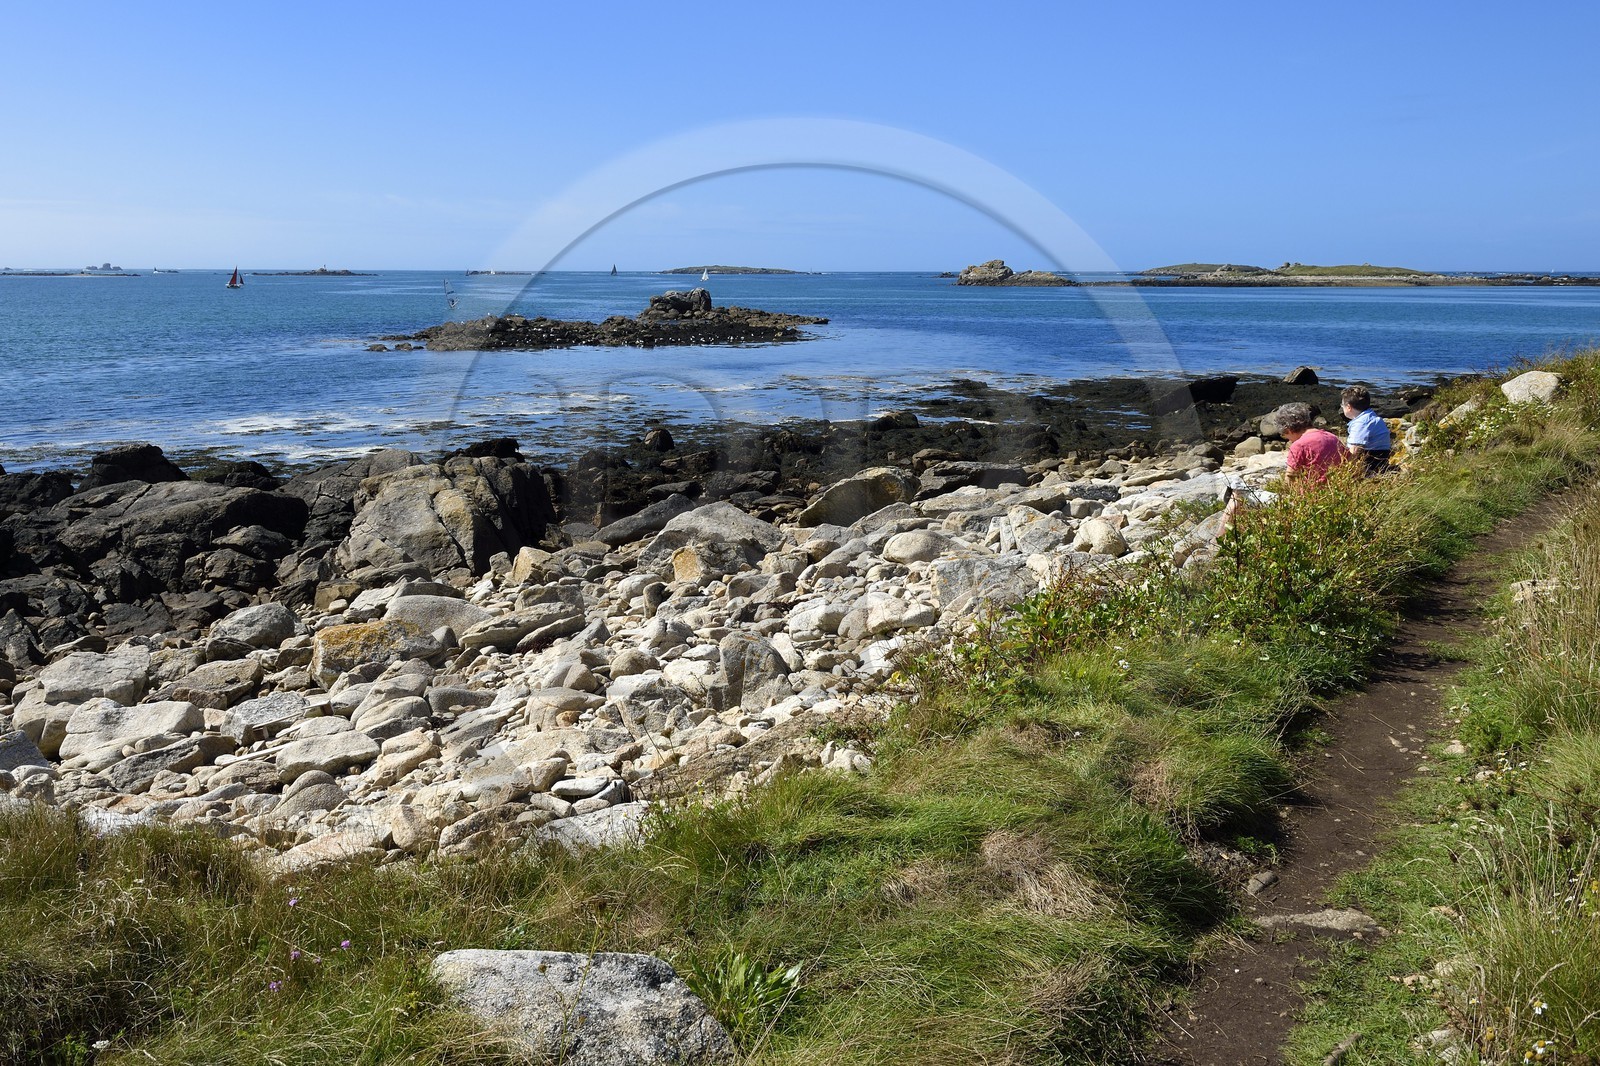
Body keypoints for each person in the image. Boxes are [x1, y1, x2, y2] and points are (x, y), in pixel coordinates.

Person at [1273, 401, 1347, 483]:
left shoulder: (1299, 446)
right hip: (1337, 488)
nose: (1288, 440)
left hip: (1311, 492)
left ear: (1288, 430)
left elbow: (1290, 478)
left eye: (1284, 434)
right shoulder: (1332, 437)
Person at [1340, 385, 1392, 474]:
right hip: (1379, 459)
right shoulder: (1370, 416)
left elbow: (1354, 451)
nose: (1342, 407)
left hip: (1371, 464)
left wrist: (1343, 470)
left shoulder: (1361, 423)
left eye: (1342, 405)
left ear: (1348, 407)